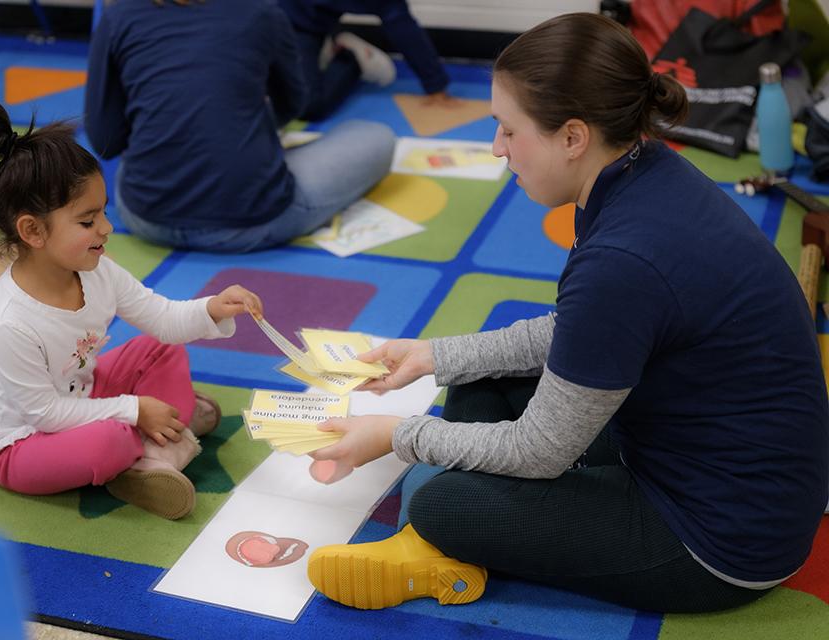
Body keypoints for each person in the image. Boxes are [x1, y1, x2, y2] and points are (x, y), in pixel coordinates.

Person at [304, 13, 829, 613]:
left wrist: (398, 436)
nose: (497, 147)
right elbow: (587, 332)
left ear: (573, 137)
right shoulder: (643, 171)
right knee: (479, 376)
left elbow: (539, 450)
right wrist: (434, 356)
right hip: (707, 457)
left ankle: (431, 545)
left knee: (440, 504)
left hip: (719, 541)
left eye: (508, 130)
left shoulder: (623, 257)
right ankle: (447, 533)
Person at [0, 99, 264, 520]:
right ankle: (163, 440)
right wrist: (135, 409)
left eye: (103, 212)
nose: (106, 228)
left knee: (160, 350)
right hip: (23, 442)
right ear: (32, 231)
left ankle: (155, 450)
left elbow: (162, 318)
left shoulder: (98, 270)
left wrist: (212, 308)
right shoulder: (7, 322)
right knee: (108, 442)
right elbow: (44, 413)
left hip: (80, 394)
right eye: (87, 222)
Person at [84, 0, 396, 253]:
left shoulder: (119, 15)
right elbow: (292, 103)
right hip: (253, 221)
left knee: (150, 147)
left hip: (146, 215)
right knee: (377, 136)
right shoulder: (260, 12)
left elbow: (106, 140)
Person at [278, 0, 455, 120]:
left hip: (299, 27)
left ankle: (351, 57)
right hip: (261, 19)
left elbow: (401, 24)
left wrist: (435, 85)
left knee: (307, 106)